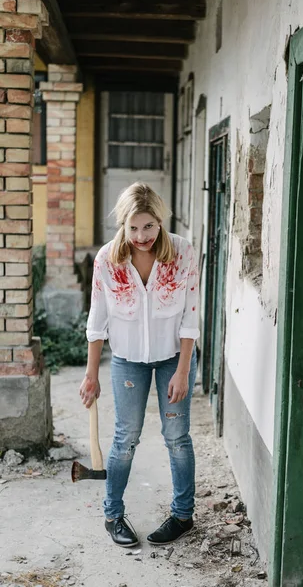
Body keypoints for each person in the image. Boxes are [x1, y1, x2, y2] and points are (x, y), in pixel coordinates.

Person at [79, 182, 200, 548]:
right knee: (125, 438)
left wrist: (182, 370)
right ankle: (113, 515)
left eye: (148, 226)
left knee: (177, 438)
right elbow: (97, 320)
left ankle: (182, 515)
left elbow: (191, 316)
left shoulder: (182, 252)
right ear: (123, 224)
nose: (141, 236)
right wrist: (91, 374)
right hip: (128, 362)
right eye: (133, 227)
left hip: (173, 360)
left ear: (160, 221)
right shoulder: (107, 260)